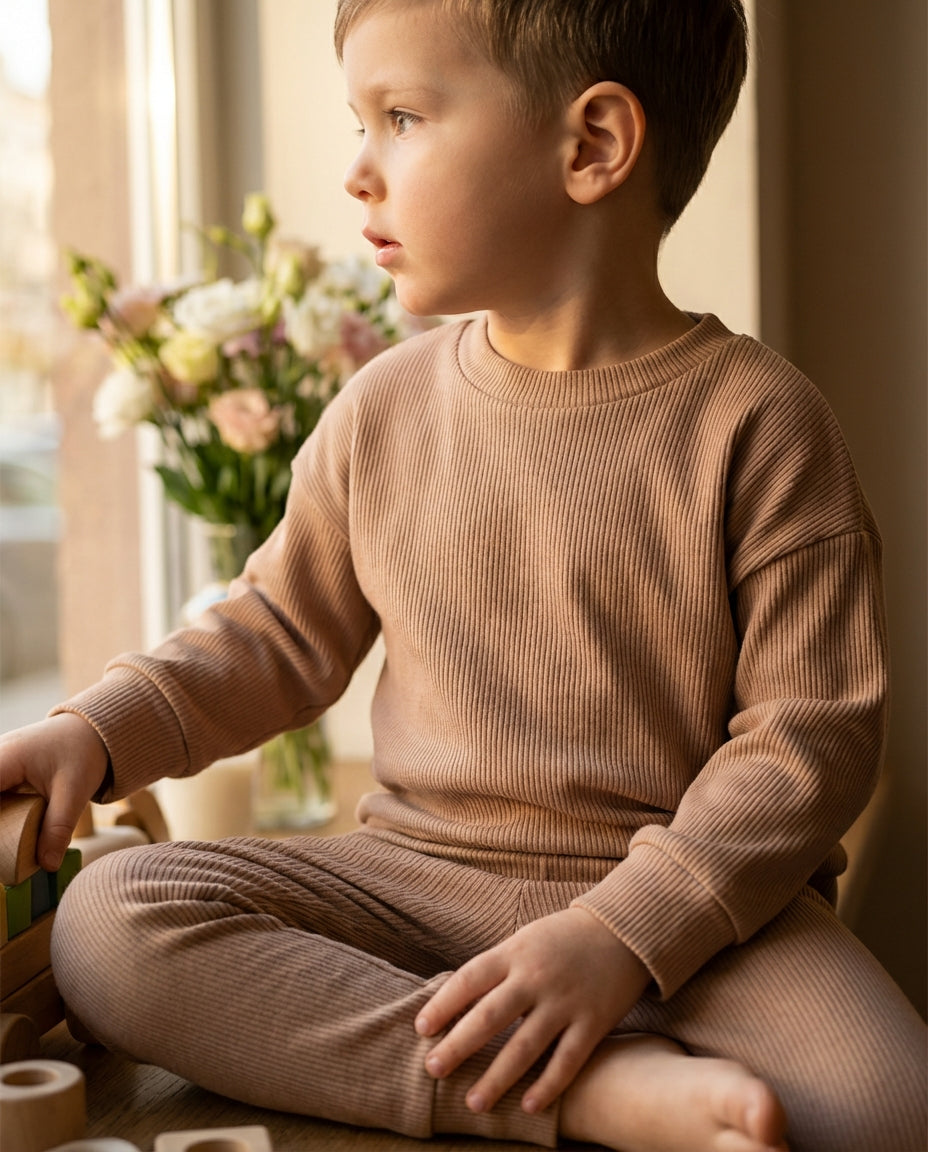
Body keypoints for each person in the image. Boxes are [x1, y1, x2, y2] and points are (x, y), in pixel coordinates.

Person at [1, 1, 925, 1149]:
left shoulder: (762, 424)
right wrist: (98, 731)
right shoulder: (379, 408)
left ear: (591, 146)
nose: (357, 174)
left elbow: (809, 741)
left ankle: (593, 1032)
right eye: (360, 121)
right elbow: (272, 635)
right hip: (411, 885)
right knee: (112, 924)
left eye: (400, 117)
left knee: (888, 1108)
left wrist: (620, 935)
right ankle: (573, 1092)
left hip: (698, 918)